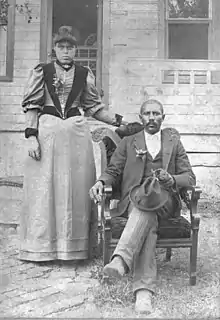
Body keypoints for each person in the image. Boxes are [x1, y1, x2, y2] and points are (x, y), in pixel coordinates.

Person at [20, 26, 126, 262]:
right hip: (47, 136)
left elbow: (95, 108)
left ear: (76, 50)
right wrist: (31, 136)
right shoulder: (42, 71)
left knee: (75, 190)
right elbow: (32, 107)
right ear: (54, 49)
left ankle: (75, 249)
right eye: (61, 47)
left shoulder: (84, 73)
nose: (65, 51)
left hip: (77, 138)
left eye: (70, 47)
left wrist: (121, 121)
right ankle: (41, 248)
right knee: (45, 189)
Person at [89, 99, 196, 314]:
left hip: (166, 200)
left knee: (146, 208)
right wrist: (101, 182)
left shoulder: (173, 142)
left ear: (163, 118)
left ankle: (121, 259)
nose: (152, 117)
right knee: (146, 216)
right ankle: (143, 293)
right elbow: (113, 171)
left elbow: (190, 178)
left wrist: (172, 179)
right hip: (134, 200)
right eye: (147, 113)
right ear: (140, 118)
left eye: (156, 113)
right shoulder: (129, 142)